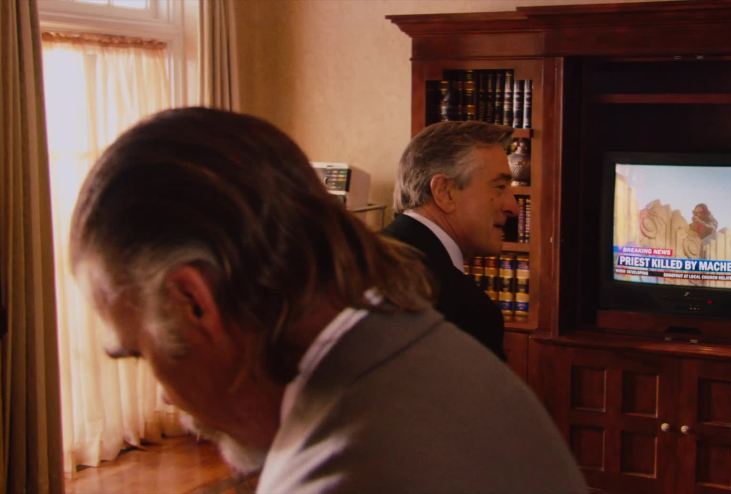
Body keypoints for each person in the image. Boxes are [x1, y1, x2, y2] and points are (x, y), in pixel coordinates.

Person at [70, 107, 587, 493]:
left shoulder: (345, 471)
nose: (166, 398)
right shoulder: (409, 341)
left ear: (196, 303)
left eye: (141, 351)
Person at [383, 121, 518, 360]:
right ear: (444, 192)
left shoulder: (357, 258)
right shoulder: (466, 311)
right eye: (499, 187)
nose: (513, 207)